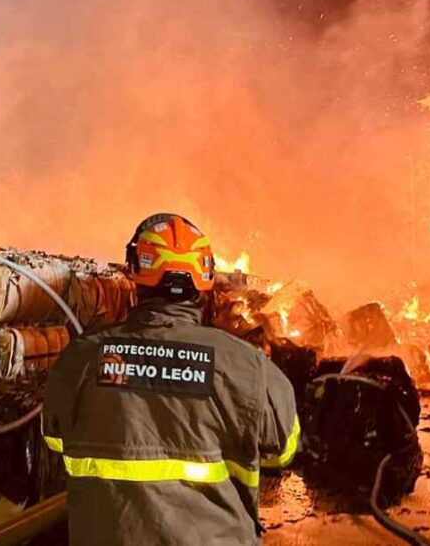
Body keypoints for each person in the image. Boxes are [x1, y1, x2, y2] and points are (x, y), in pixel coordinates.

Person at [42, 213, 300, 545]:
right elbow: (283, 450)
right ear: (203, 284)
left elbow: (55, 440)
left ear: (136, 276)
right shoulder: (246, 364)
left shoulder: (81, 358)